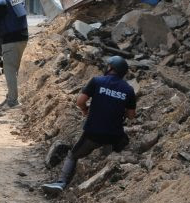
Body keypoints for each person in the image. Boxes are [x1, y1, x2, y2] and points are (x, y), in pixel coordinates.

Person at [43, 56, 137, 193]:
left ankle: (61, 182)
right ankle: (109, 166)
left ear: (110, 68)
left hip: (93, 133)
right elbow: (131, 115)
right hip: (114, 135)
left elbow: (80, 101)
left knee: (73, 155)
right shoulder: (128, 90)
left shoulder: (97, 81)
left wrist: (85, 110)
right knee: (120, 143)